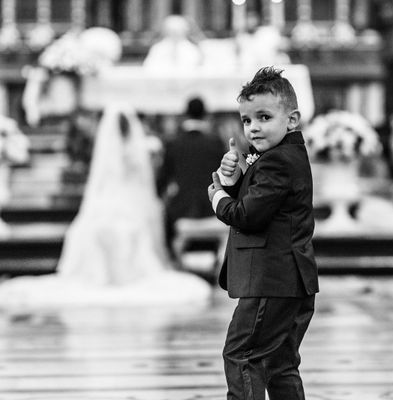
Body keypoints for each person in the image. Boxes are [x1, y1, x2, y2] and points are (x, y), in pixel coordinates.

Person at [0, 102, 212, 309]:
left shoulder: (109, 153)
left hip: (106, 202)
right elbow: (147, 184)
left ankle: (100, 275)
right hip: (133, 203)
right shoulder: (139, 150)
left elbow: (99, 183)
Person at [207, 66, 319, 400]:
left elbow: (248, 216)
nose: (253, 127)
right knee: (279, 364)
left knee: (241, 354)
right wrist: (235, 179)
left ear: (292, 119)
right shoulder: (286, 156)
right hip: (291, 280)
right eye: (246, 120)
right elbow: (267, 204)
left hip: (271, 280)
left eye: (264, 117)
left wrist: (218, 198)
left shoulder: (276, 161)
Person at [156, 97, 226, 259]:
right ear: (205, 114)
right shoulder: (215, 142)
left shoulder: (173, 143)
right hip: (213, 209)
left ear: (185, 114)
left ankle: (172, 258)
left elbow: (163, 181)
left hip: (182, 209)